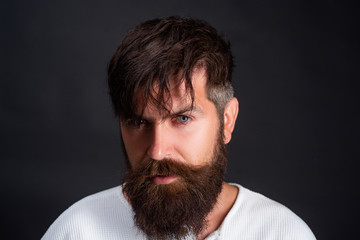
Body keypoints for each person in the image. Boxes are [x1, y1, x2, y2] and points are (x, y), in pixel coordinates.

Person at [42, 16, 316, 240]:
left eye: (182, 119)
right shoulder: (77, 231)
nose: (158, 151)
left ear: (227, 121)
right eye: (138, 122)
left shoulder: (283, 233)